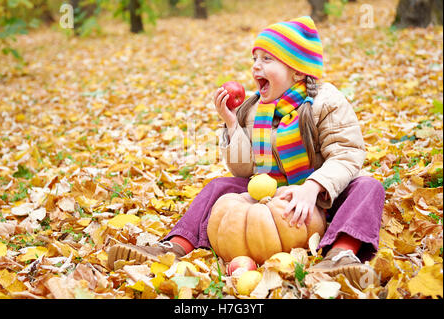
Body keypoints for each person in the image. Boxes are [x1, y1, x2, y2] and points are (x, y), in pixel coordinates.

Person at [108, 16, 384, 289]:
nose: (255, 67)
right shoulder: (252, 109)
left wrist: (312, 188)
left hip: (322, 200)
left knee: (368, 186)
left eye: (267, 59)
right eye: (254, 59)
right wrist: (232, 123)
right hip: (269, 201)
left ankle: (340, 254)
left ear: (298, 71)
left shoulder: (326, 101)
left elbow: (346, 152)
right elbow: (243, 170)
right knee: (219, 186)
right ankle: (174, 246)